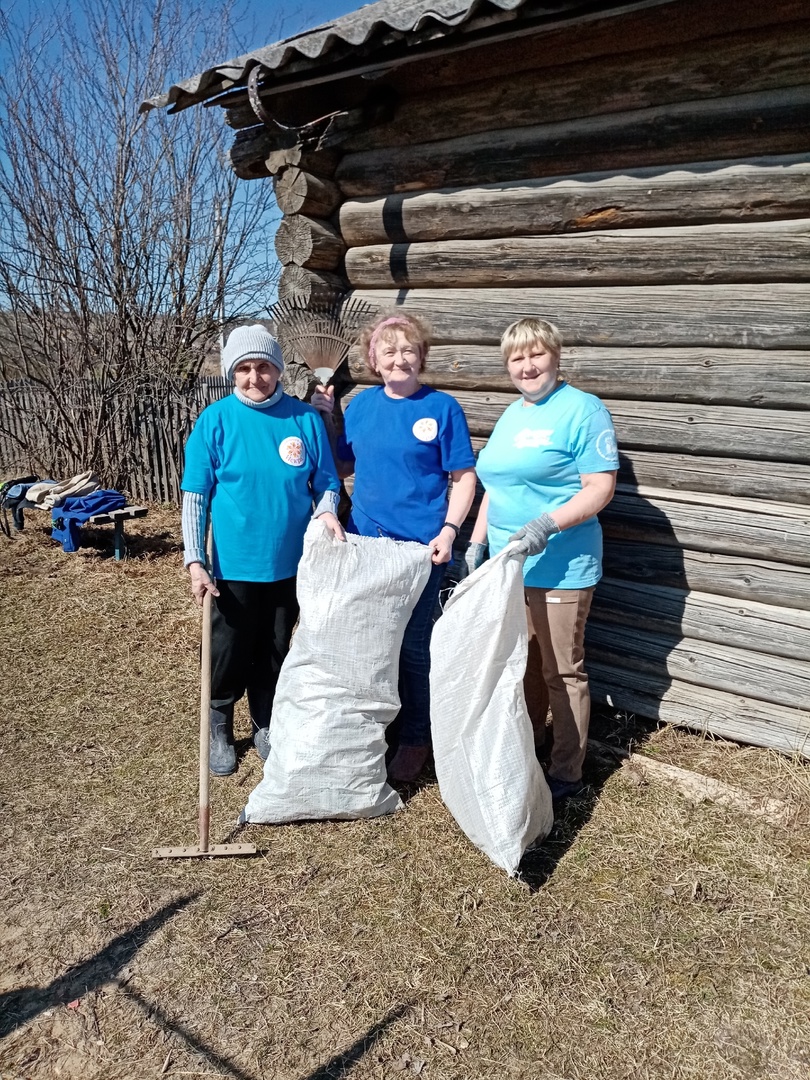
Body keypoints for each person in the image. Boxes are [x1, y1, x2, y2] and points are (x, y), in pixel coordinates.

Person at [312, 312, 477, 783]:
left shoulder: (442, 408)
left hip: (421, 549)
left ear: (421, 356)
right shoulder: (361, 407)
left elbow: (464, 477)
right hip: (366, 543)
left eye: (408, 350)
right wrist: (326, 421)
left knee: (413, 646)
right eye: (389, 351)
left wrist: (448, 531)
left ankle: (416, 737)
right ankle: (377, 726)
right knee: (370, 639)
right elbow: (343, 465)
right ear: (374, 360)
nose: (399, 358)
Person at [465, 317, 618, 801]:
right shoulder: (513, 414)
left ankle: (567, 771)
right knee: (524, 663)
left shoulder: (582, 410)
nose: (527, 366)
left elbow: (600, 489)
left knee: (561, 670)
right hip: (511, 566)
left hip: (561, 564)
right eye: (516, 358)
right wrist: (477, 542)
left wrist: (547, 525)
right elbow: (495, 485)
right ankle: (527, 747)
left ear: (556, 354)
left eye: (536, 354)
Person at [181, 324, 343, 776]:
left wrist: (327, 510)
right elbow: (195, 495)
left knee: (275, 646)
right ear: (234, 372)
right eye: (246, 368)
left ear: (278, 369)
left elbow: (326, 482)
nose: (256, 377)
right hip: (231, 565)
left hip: (290, 564)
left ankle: (265, 721)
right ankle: (218, 720)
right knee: (229, 647)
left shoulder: (303, 420)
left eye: (265, 367)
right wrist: (196, 559)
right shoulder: (216, 420)